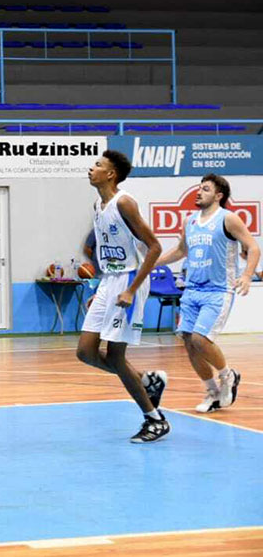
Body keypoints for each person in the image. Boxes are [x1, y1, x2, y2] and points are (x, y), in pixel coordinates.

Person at [76, 150, 169, 443]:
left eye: (98, 165)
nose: (91, 169)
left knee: (116, 356)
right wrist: (103, 289)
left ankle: (154, 419)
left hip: (130, 279)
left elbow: (154, 247)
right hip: (109, 282)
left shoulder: (124, 203)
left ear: (111, 174)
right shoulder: (97, 205)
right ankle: (146, 380)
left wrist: (129, 289)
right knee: (85, 352)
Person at [157, 174, 258, 413]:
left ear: (219, 195)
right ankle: (212, 391)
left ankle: (228, 375)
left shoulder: (228, 219)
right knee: (190, 344)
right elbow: (181, 250)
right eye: (199, 188)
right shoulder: (190, 221)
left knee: (201, 339)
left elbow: (253, 247)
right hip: (192, 290)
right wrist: (153, 263)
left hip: (218, 290)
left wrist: (246, 276)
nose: (199, 192)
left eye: (205, 189)